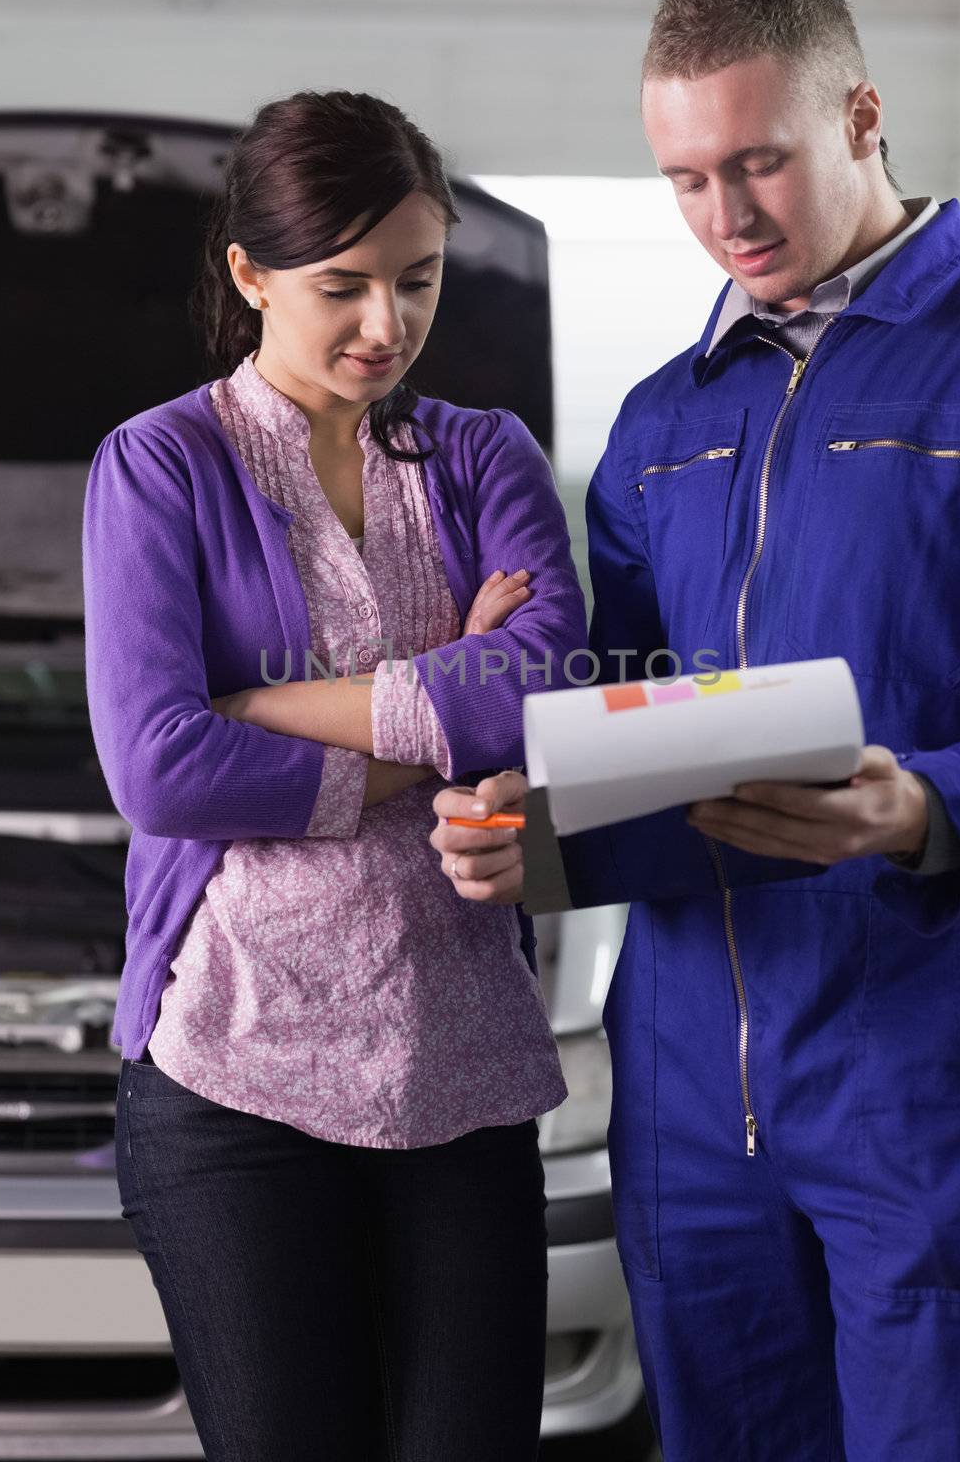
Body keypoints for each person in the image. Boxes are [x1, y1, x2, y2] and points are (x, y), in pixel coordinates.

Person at [430, 0, 960, 1461]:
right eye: (687, 178)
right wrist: (525, 818)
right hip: (692, 1081)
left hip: (936, 1070)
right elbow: (624, 713)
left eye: (759, 161)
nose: (728, 217)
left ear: (864, 116)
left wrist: (932, 802)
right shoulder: (660, 421)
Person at [81, 89, 590, 1461]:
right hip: (232, 1075)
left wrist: (275, 708)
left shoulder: (484, 455)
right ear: (249, 274)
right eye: (342, 286)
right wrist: (430, 722)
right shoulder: (160, 467)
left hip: (463, 1069)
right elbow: (163, 767)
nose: (387, 325)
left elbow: (547, 680)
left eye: (417, 281)